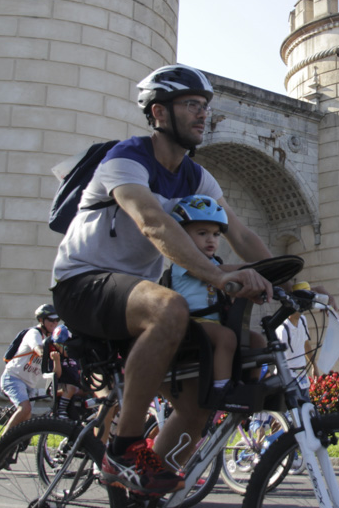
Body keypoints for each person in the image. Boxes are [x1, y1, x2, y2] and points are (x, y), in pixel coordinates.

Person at [51, 64, 276, 496]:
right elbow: (152, 221)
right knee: (169, 306)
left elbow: (241, 234)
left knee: (198, 400)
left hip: (136, 298)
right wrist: (213, 273)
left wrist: (292, 281)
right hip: (83, 284)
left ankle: (144, 491)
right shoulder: (126, 159)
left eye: (205, 106)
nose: (202, 114)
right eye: (191, 104)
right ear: (158, 113)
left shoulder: (196, 176)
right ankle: (123, 449)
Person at [168, 194, 266, 407]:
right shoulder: (183, 261)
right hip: (191, 325)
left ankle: (249, 386)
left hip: (214, 325)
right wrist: (250, 270)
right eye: (202, 233)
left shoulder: (215, 262)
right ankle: (221, 391)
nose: (211, 239)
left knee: (258, 341)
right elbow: (216, 272)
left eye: (215, 234)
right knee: (227, 338)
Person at [0, 304, 59, 436]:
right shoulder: (34, 333)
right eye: (51, 320)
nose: (54, 323)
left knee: (25, 422)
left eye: (57, 320)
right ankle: (1, 444)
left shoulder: (53, 339)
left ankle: (11, 449)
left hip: (29, 384)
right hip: (14, 377)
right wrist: (46, 354)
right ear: (41, 320)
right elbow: (37, 348)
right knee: (25, 409)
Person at [276, 311, 317, 390]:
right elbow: (279, 359)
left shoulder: (303, 320)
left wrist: (314, 366)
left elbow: (306, 344)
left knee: (306, 402)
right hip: (289, 376)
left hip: (302, 375)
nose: (300, 310)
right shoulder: (282, 330)